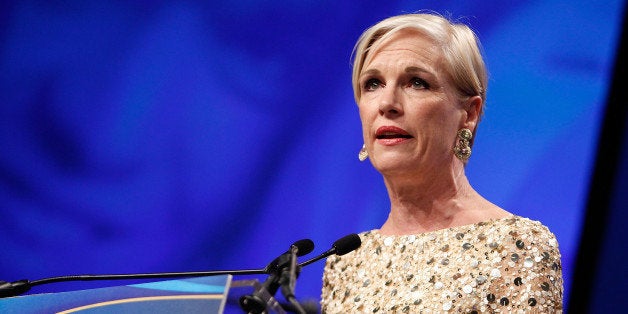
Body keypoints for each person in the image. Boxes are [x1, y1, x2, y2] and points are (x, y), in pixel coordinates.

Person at [320, 12, 563, 313]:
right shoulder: (345, 262)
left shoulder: (516, 245)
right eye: (373, 84)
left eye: (417, 83)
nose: (386, 104)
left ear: (469, 114)